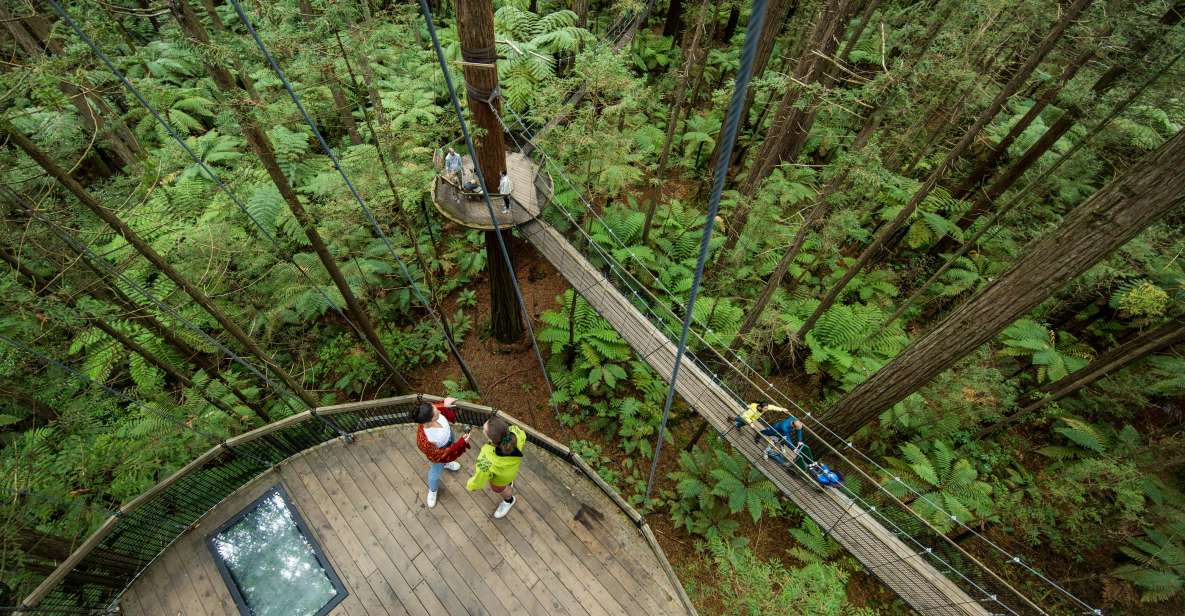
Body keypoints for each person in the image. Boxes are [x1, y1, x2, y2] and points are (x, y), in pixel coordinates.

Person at [412, 397, 472, 508]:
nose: (439, 411)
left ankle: (447, 463)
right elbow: (438, 455)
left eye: (436, 408)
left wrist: (445, 403)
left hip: (449, 438)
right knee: (434, 474)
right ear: (429, 420)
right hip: (440, 451)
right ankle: (433, 490)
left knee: (449, 454)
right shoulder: (425, 440)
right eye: (436, 413)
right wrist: (461, 443)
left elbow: (438, 406)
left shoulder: (430, 411)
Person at [466, 416, 525, 518]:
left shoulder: (487, 458)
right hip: (511, 470)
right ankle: (509, 483)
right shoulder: (515, 434)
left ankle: (509, 500)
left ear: (491, 439)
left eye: (484, 429)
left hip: (500, 478)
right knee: (507, 482)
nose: (483, 428)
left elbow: (481, 475)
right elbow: (523, 435)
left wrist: (471, 485)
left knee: (498, 488)